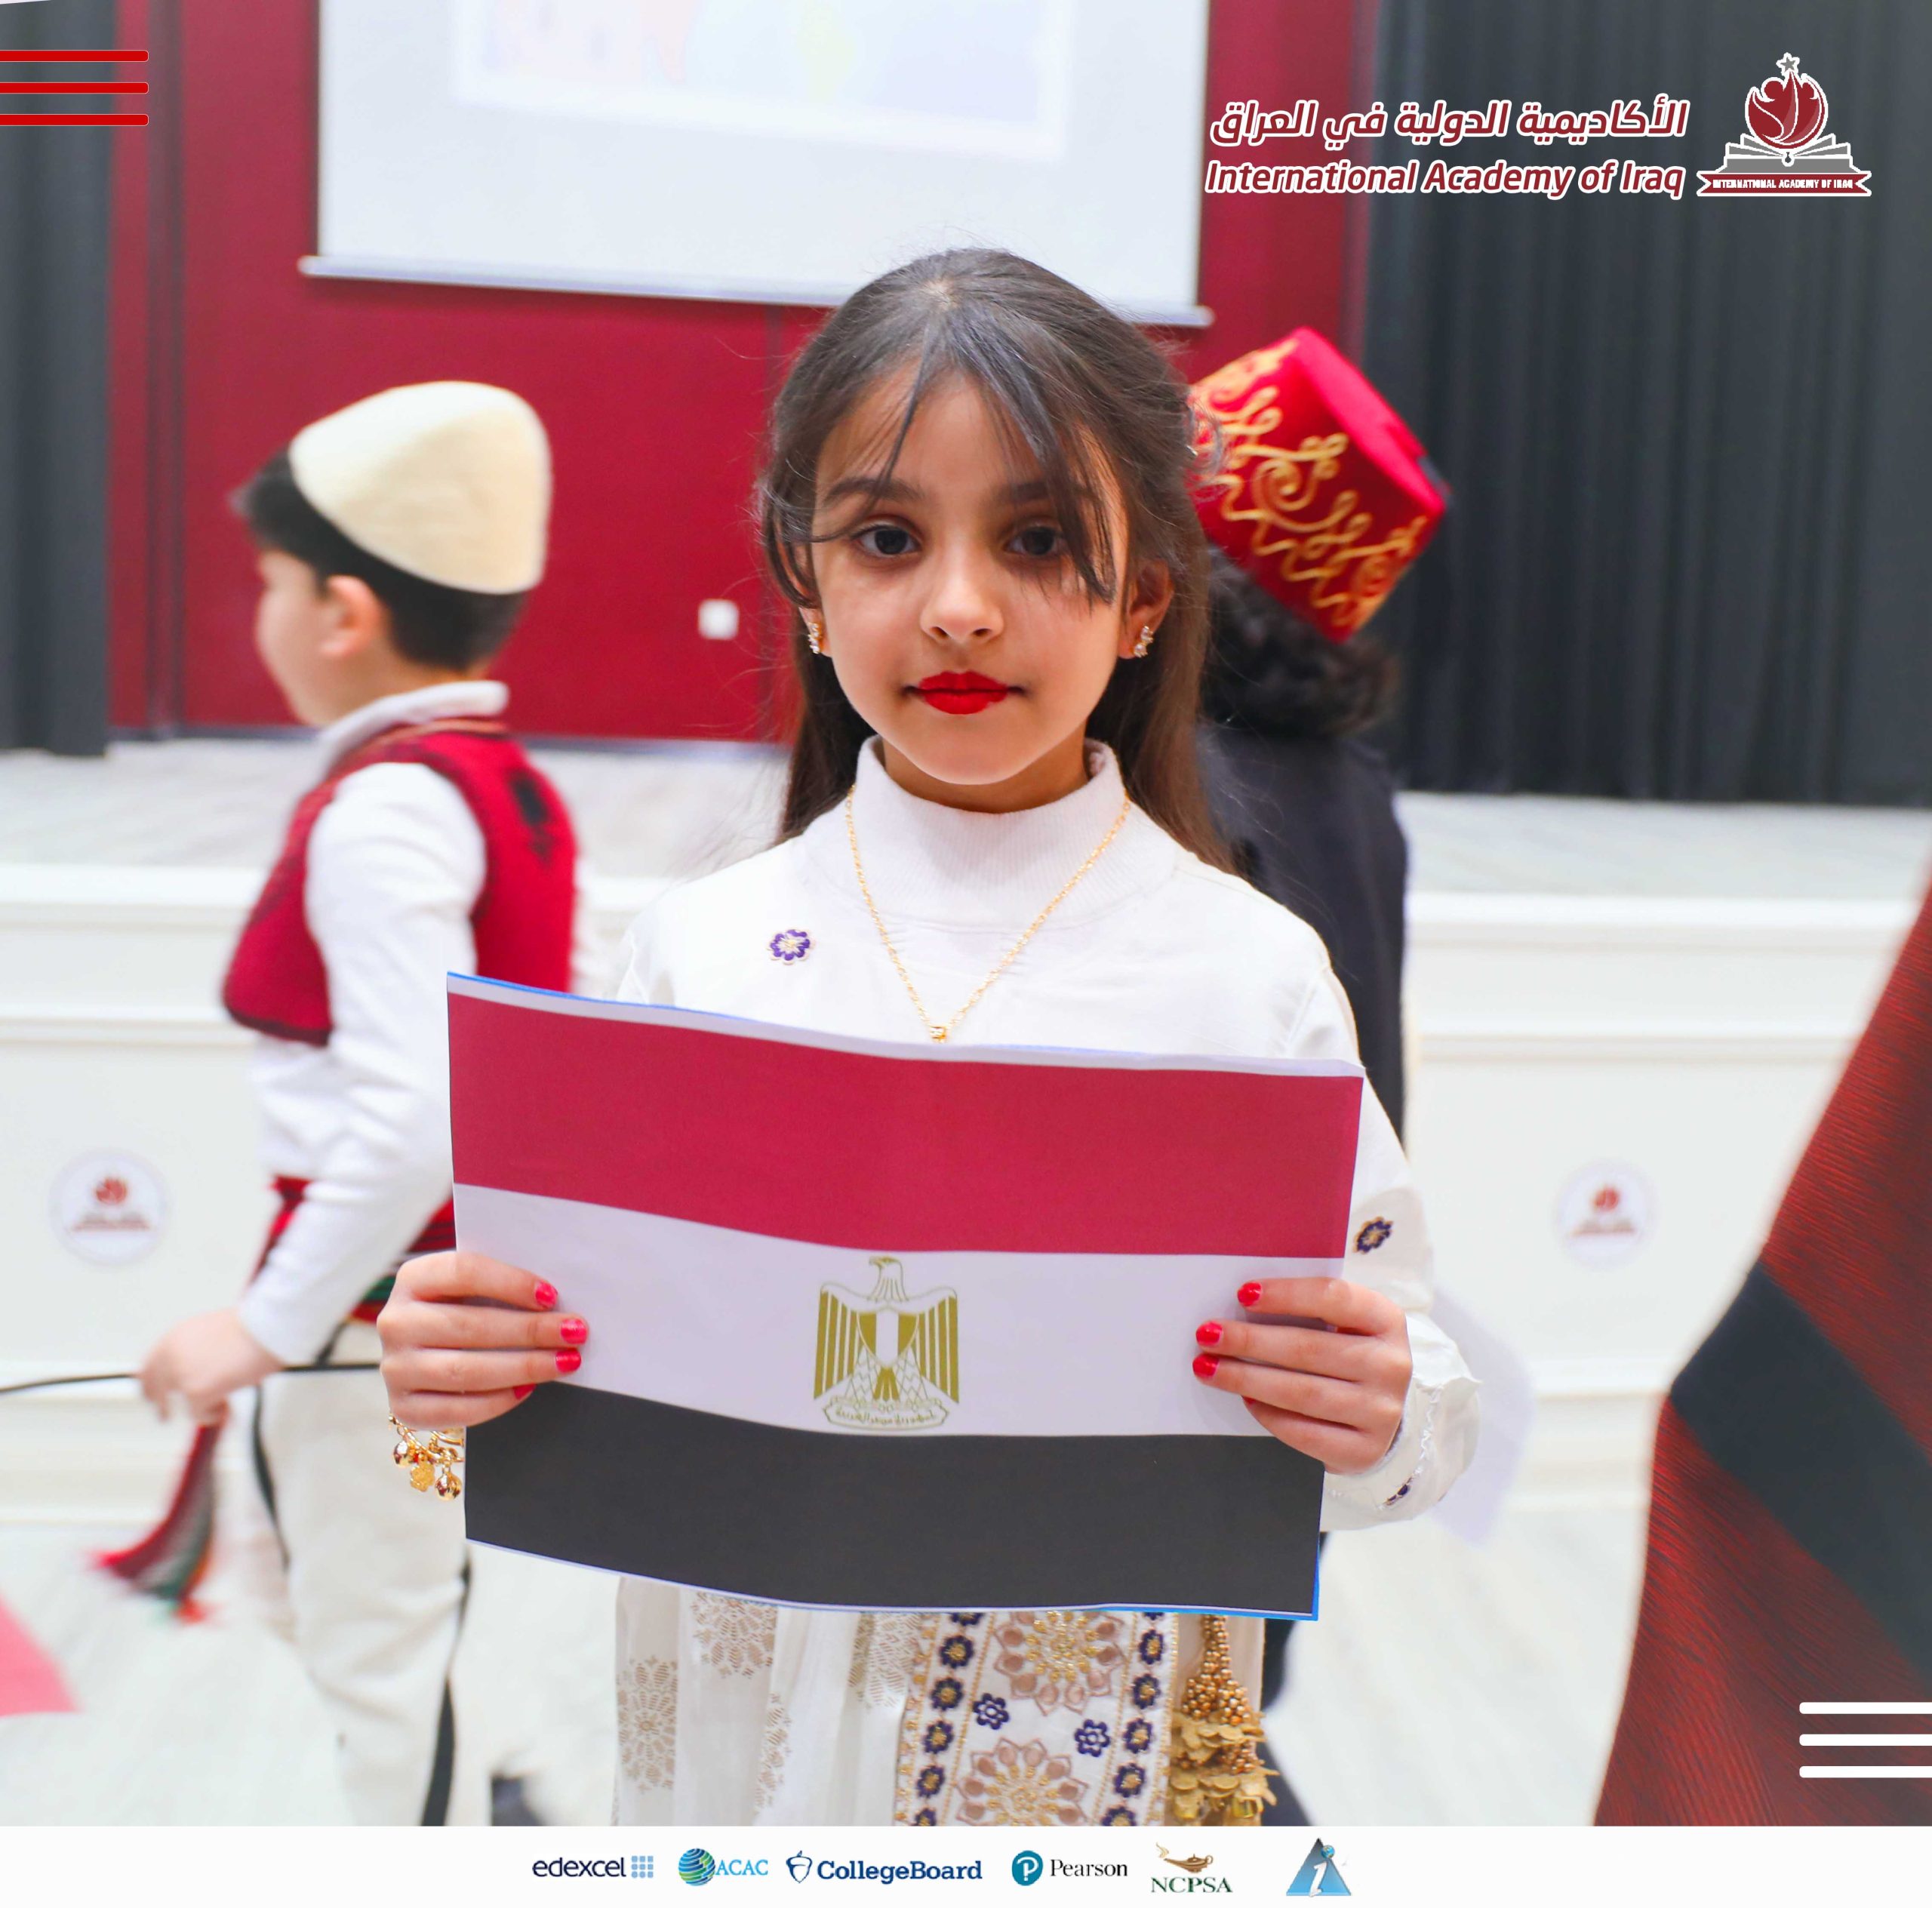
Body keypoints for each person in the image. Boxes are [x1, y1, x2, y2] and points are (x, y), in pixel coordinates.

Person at [378, 249, 1479, 1827]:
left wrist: (1375, 1409)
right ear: (806, 583)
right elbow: (547, 1418)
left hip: (1091, 1779)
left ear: (1145, 597)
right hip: (745, 1776)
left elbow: (1406, 1403)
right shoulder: (695, 956)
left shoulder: (1248, 978)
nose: (959, 606)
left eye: (1038, 539)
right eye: (889, 538)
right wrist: (444, 1391)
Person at [129, 382, 581, 1826]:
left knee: (374, 1640)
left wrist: (265, 1327)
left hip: (379, 1325)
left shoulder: (388, 807)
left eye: (268, 583)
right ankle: (496, 1783)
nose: (257, 614)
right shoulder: (497, 782)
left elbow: (413, 1116)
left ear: (340, 612)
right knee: (349, 1585)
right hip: (412, 1307)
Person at [1189, 331, 1450, 1800]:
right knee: (1227, 1711)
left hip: (1192, 1341)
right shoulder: (1352, 776)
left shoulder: (1173, 780)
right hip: (1314, 1324)